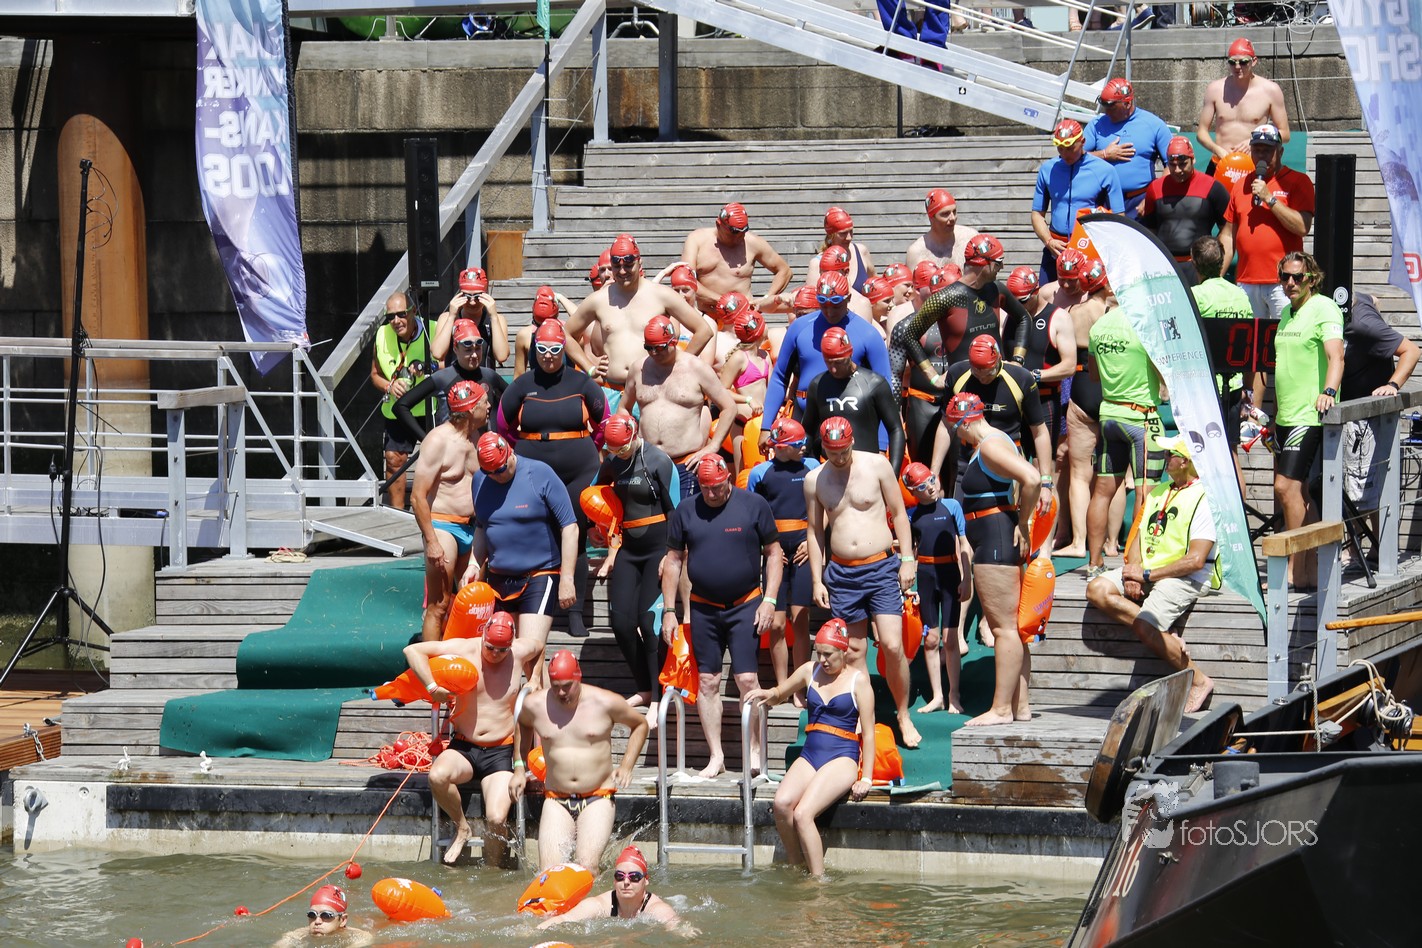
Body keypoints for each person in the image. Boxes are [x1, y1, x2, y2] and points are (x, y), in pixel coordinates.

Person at [661, 455, 782, 777]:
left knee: (747, 679)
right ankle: (716, 755)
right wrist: (670, 610)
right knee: (708, 681)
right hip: (703, 607)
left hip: (745, 604)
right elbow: (673, 560)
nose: (712, 494)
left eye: (716, 487)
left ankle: (753, 749)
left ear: (728, 479)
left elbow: (774, 553)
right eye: (705, 488)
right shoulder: (687, 509)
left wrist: (770, 599)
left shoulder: (753, 505)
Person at [805, 416, 921, 748]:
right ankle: (862, 719)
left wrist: (907, 559)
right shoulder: (815, 480)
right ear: (823, 447)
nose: (839, 457)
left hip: (881, 567)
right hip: (842, 573)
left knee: (892, 645)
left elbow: (899, 513)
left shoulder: (877, 465)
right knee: (854, 651)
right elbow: (814, 532)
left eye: (844, 451)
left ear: (853, 441)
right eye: (833, 452)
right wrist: (817, 580)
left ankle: (903, 714)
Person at [1086, 434, 1218, 714]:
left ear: (1186, 462)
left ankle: (1199, 680)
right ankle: (1165, 634)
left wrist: (1147, 575)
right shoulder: (1159, 491)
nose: (1164, 457)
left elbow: (1195, 560)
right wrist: (1133, 573)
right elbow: (1139, 537)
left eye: (1170, 454)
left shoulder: (1204, 498)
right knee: (1096, 589)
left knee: (1145, 626)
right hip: (1150, 571)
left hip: (1184, 577)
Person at [404, 611, 541, 866]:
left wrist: (535, 678)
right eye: (490, 647)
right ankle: (462, 828)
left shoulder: (519, 651)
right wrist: (432, 686)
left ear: (511, 644)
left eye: (502, 650)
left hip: (501, 751)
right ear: (483, 636)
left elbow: (539, 647)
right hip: (464, 747)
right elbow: (412, 651)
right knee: (437, 776)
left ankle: (492, 870)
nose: (495, 654)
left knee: (497, 818)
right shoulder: (464, 648)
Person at [500, 319, 607, 638]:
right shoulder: (522, 385)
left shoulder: (582, 382)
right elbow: (502, 426)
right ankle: (533, 607)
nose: (548, 355)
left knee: (577, 532)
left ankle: (574, 612)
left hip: (578, 469)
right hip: (534, 469)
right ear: (535, 349)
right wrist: (523, 450)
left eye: (555, 349)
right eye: (543, 349)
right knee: (536, 533)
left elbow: (604, 423)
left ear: (565, 349)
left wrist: (590, 448)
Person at [745, 618, 876, 879]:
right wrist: (767, 693)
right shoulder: (810, 670)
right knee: (782, 804)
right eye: (819, 653)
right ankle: (796, 867)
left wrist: (867, 778)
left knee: (803, 814)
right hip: (811, 754)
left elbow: (870, 734)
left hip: (842, 757)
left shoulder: (859, 681)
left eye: (828, 654)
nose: (823, 660)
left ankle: (818, 881)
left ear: (843, 651)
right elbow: (780, 692)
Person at [944, 393, 1042, 727]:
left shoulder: (989, 446)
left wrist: (1024, 522)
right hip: (994, 535)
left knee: (1003, 628)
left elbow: (1032, 478)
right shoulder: (996, 442)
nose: (958, 437)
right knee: (1012, 628)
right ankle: (1020, 706)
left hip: (996, 538)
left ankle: (1001, 709)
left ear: (964, 422)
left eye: (956, 429)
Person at [511, 650, 650, 871]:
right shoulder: (535, 704)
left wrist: (626, 766)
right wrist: (519, 768)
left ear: (579, 678)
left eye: (567, 686)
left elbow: (640, 724)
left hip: (598, 796)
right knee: (549, 872)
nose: (561, 692)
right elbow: (523, 724)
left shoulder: (604, 701)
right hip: (556, 798)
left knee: (587, 867)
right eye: (556, 686)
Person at [462, 432, 579, 677]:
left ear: (510, 453)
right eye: (491, 472)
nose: (498, 476)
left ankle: (539, 698)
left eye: (501, 469)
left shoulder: (539, 474)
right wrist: (473, 564)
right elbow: (482, 527)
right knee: (504, 656)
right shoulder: (481, 480)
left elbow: (570, 526)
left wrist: (567, 578)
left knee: (529, 657)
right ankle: (531, 701)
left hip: (539, 573)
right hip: (498, 577)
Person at [564, 234, 712, 412]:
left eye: (628, 265)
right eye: (616, 266)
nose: (622, 271)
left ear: (639, 263)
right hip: (611, 390)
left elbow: (704, 330)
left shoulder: (661, 295)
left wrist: (678, 367)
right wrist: (589, 368)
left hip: (651, 389)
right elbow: (565, 334)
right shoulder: (599, 299)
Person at [1271, 251, 1344, 590]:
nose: (1290, 283)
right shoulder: (1287, 313)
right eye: (1284, 277)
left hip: (1309, 415)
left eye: (1297, 277)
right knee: (1299, 492)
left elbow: (1336, 356)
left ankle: (1295, 569)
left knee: (1284, 487)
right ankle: (1313, 571)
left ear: (1312, 279)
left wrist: (1328, 391)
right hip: (1286, 415)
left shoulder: (1324, 308)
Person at [594, 414, 677, 710]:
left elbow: (675, 511)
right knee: (620, 623)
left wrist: (671, 554)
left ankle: (658, 695)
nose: (619, 454)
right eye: (613, 450)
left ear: (634, 434)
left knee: (649, 623)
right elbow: (594, 492)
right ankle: (644, 688)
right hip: (629, 550)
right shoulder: (612, 461)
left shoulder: (659, 461)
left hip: (657, 549)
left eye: (622, 448)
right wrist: (597, 525)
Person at [1086, 281, 1164, 577]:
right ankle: (1135, 563)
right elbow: (1163, 372)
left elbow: (1094, 375)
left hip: (1109, 414)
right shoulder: (1145, 324)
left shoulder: (1099, 326)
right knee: (1146, 492)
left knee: (1102, 492)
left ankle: (1094, 563)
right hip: (1141, 417)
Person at [624, 313, 740, 504]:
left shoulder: (696, 368)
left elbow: (729, 407)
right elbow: (624, 408)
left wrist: (714, 445)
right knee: (650, 520)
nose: (654, 353)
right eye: (649, 348)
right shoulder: (639, 368)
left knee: (682, 518)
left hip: (686, 464)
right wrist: (630, 440)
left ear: (674, 341)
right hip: (647, 461)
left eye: (660, 348)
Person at [762, 272, 894, 429]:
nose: (830, 312)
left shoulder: (868, 333)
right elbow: (779, 377)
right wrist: (766, 426)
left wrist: (883, 437)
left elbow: (884, 386)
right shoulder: (799, 328)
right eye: (824, 306)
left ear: (848, 298)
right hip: (805, 418)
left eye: (836, 306)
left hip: (851, 422)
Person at [412, 380, 490, 642]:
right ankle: (430, 663)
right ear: (470, 409)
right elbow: (417, 496)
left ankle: (465, 659)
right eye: (484, 402)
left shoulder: (477, 438)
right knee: (440, 604)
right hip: (444, 526)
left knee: (475, 602)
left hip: (473, 527)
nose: (489, 406)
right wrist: (432, 541)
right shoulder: (438, 440)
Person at [747, 417, 819, 693]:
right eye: (798, 443)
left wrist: (812, 542)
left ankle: (799, 688)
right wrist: (767, 548)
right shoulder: (760, 473)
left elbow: (824, 509)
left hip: (803, 548)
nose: (804, 447)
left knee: (800, 620)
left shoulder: (812, 467)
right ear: (781, 447)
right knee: (776, 624)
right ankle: (782, 687)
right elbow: (752, 517)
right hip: (775, 551)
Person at [1219, 123, 1314, 321]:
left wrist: (1269, 199)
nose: (1261, 156)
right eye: (1257, 150)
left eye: (1268, 150)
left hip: (1284, 282)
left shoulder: (1298, 181)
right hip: (1246, 281)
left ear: (1280, 151)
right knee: (1250, 338)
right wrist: (1217, 277)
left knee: (1284, 335)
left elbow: (1302, 227)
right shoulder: (1241, 185)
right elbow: (1228, 235)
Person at [1341, 291, 1420, 519]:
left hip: (1366, 416)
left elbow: (1412, 351)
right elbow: (1374, 298)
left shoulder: (1361, 323)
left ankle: (1366, 543)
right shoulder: (1358, 301)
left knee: (1362, 496)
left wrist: (1392, 384)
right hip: (1343, 413)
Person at [1054, 251, 1112, 559]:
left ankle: (1078, 542)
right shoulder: (1115, 313)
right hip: (1111, 385)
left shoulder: (1071, 313)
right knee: (1114, 473)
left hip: (1081, 385)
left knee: (1078, 473)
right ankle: (1111, 543)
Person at [902, 463, 970, 714]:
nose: (930, 487)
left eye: (931, 480)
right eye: (922, 486)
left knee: (950, 639)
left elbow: (964, 543)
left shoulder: (952, 507)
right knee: (930, 640)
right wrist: (907, 583)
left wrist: (967, 577)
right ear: (913, 491)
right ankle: (937, 696)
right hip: (926, 576)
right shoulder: (911, 515)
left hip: (949, 574)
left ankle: (954, 694)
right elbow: (909, 551)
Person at [1190, 235, 1255, 494]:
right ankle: (1240, 512)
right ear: (1221, 262)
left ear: (1194, 262)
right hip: (1234, 385)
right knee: (1230, 453)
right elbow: (1250, 346)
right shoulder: (1239, 295)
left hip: (1204, 388)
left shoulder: (1195, 296)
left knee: (1202, 455)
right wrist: (1247, 388)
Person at [802, 326, 907, 472]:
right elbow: (807, 431)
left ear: (850, 354)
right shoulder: (817, 385)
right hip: (831, 471)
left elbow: (895, 429)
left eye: (838, 362)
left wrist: (893, 473)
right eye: (828, 362)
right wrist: (805, 467)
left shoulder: (874, 383)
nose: (833, 369)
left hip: (867, 471)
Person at [1031, 119, 1124, 282]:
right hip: (1056, 247)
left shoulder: (1105, 171)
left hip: (1089, 246)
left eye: (1070, 148)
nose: (1065, 153)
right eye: (1060, 148)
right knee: (1046, 295)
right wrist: (1048, 241)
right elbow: (1037, 214)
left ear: (1083, 142)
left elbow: (1119, 217)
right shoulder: (1047, 170)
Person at [395, 318, 507, 444]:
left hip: (485, 451)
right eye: (468, 350)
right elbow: (401, 406)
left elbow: (516, 402)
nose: (475, 355)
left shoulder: (490, 376)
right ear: (455, 348)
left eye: (478, 348)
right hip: (452, 451)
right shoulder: (443, 378)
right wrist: (426, 440)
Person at [369, 291, 430, 510]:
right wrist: (389, 386)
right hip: (397, 410)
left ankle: (435, 512)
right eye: (390, 316)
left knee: (438, 460)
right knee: (394, 459)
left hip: (429, 409)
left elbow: (447, 364)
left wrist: (425, 367)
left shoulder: (431, 329)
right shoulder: (382, 334)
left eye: (401, 314)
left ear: (413, 311)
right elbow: (374, 374)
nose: (396, 321)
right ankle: (397, 514)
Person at [1140, 137, 1230, 284]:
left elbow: (1227, 233)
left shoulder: (1213, 187)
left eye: (1183, 164)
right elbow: (1150, 231)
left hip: (1199, 268)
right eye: (1172, 165)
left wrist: (1217, 273)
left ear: (1193, 160)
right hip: (1165, 267)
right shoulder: (1155, 188)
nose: (1177, 170)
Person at [1007, 266, 1076, 456]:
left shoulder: (1058, 317)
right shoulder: (1009, 316)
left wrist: (1035, 376)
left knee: (1043, 463)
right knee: (1012, 462)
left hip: (1044, 399)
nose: (1018, 306)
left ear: (1036, 291)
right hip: (1013, 400)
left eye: (1023, 301)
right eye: (1013, 301)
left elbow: (1069, 366)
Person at [536, 845, 685, 930]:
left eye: (634, 877)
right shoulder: (600, 905)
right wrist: (532, 933)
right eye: (620, 876)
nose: (626, 882)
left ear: (645, 880)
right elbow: (566, 919)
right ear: (614, 880)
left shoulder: (656, 909)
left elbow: (680, 930)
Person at [681, 201, 793, 314]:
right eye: (733, 235)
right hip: (707, 315)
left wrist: (766, 299)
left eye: (742, 234)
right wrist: (724, 301)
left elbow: (785, 271)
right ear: (718, 225)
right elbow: (686, 281)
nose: (738, 239)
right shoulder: (697, 240)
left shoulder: (752, 242)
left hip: (743, 317)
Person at [1084, 78, 1174, 219]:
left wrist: (1154, 196)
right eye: (1104, 107)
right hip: (1104, 201)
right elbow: (1075, 157)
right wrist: (1104, 154)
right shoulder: (1096, 125)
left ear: (1127, 103)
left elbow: (1172, 164)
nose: (1106, 112)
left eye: (1111, 107)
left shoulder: (1153, 124)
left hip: (1139, 201)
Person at [1196, 37, 1292, 166]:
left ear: (1254, 61)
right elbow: (1201, 132)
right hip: (1220, 163)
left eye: (1243, 62)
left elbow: (1285, 134)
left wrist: (1255, 139)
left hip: (1251, 164)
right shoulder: (1215, 89)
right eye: (1232, 62)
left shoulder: (1271, 90)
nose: (1237, 67)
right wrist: (1217, 150)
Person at [432, 266, 509, 369]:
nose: (472, 302)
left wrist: (493, 317)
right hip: (455, 379)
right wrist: (451, 317)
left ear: (486, 294)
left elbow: (502, 356)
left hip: (484, 379)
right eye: (467, 296)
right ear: (460, 295)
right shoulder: (447, 318)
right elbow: (437, 353)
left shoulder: (497, 320)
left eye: (477, 296)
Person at [275, 885, 372, 947]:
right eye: (312, 915)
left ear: (342, 920)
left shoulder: (360, 937)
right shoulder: (297, 935)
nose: (317, 921)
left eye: (326, 915)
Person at [907, 188, 980, 271]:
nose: (952, 218)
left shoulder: (971, 238)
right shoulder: (916, 253)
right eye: (945, 214)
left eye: (954, 211)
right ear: (931, 217)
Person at [810, 206, 875, 295]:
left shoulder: (861, 252)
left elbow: (876, 287)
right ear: (831, 235)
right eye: (843, 233)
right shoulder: (817, 264)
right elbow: (811, 299)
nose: (849, 237)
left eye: (851, 231)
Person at [513, 285, 577, 376]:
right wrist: (560, 297)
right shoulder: (525, 335)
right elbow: (582, 318)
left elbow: (518, 376)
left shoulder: (566, 330)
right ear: (557, 311)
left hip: (563, 383)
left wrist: (560, 297)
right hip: (549, 383)